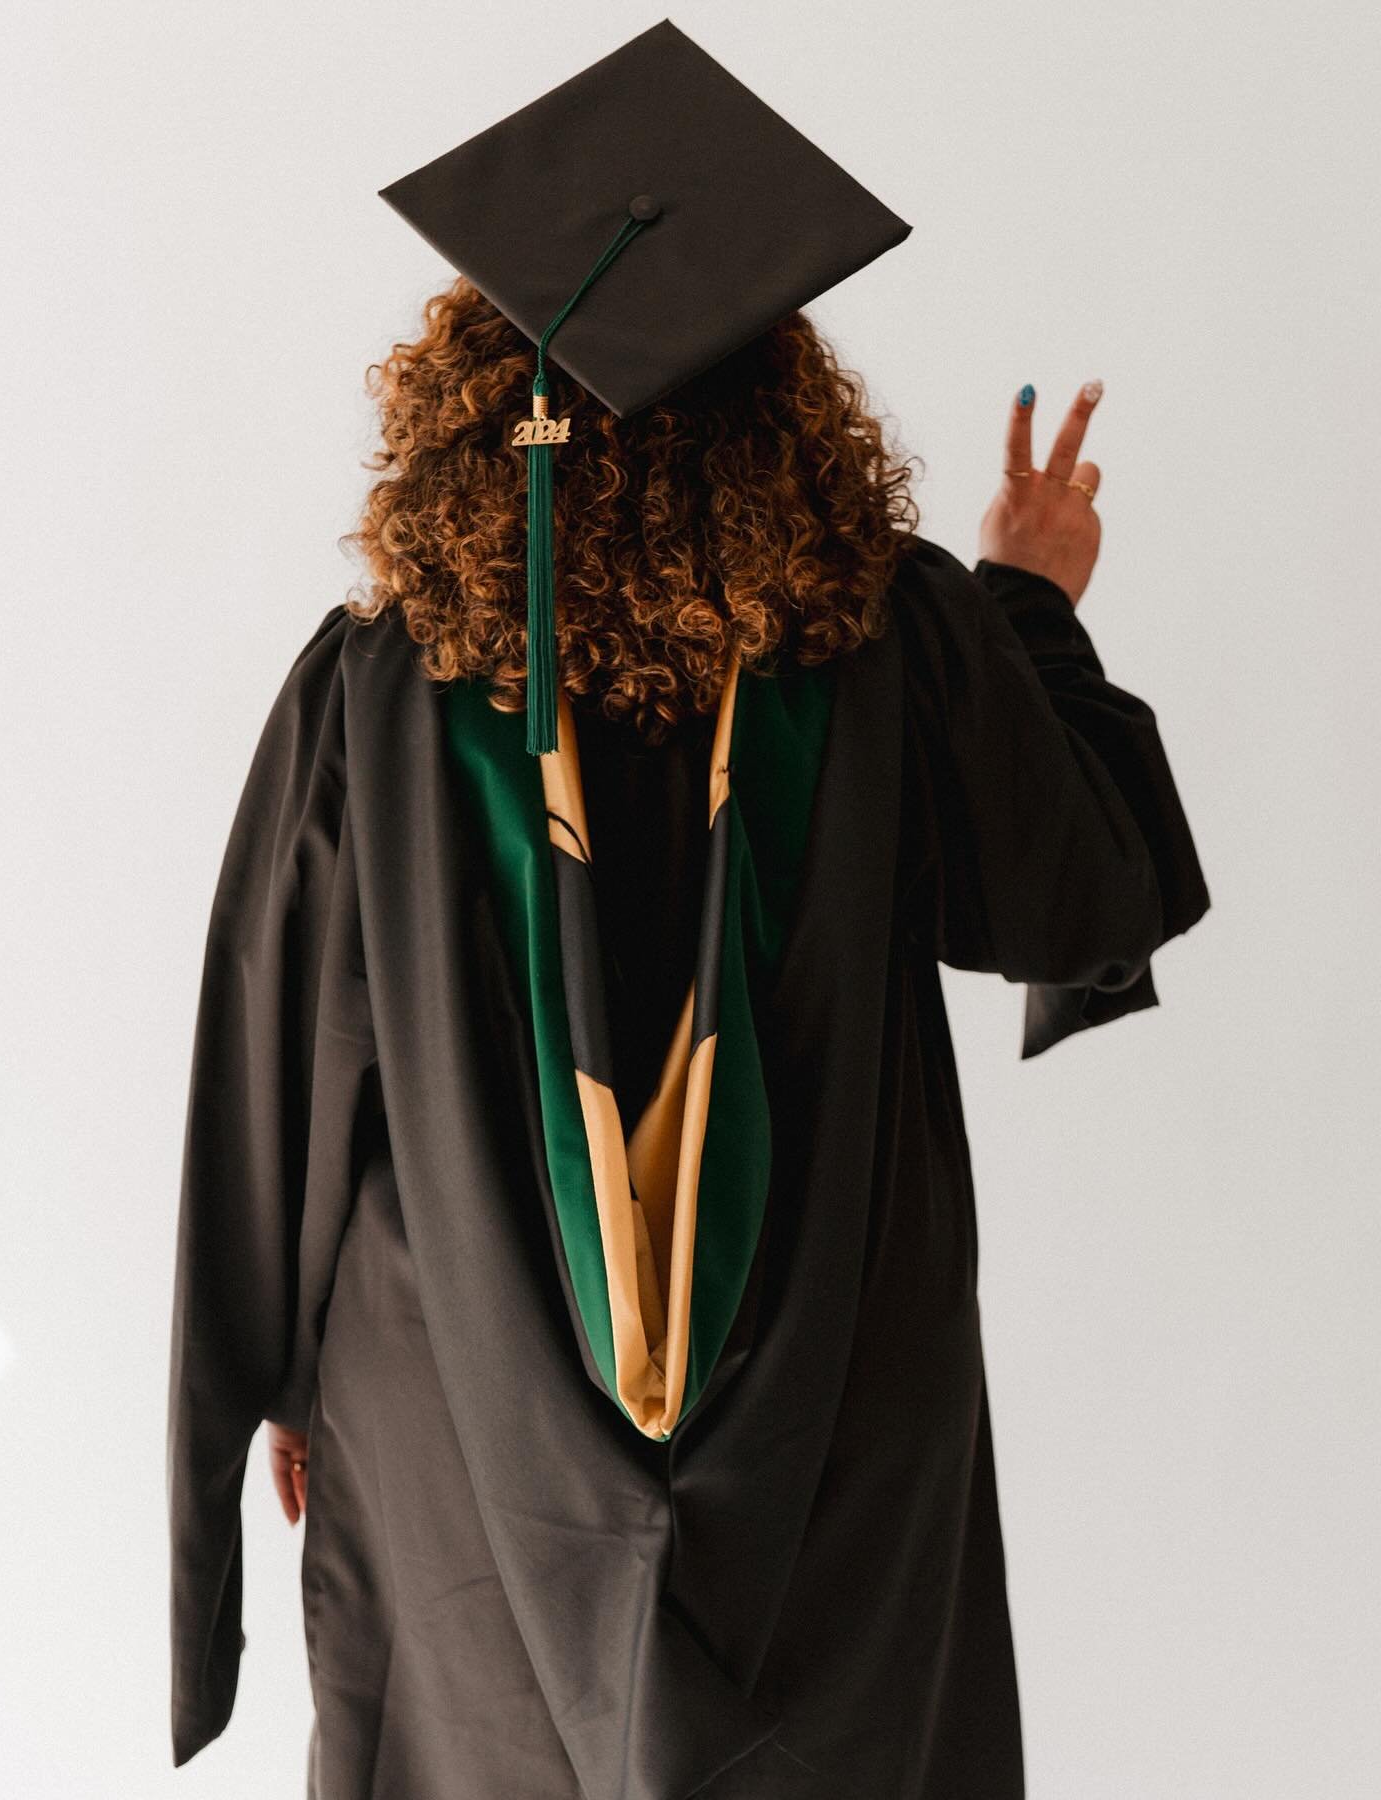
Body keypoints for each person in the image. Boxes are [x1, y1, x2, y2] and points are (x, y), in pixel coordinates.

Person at [167, 22, 1210, 1800]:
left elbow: (291, 1037)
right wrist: (1031, 602)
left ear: (478, 398)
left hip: (459, 1389)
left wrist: (272, 1369)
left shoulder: (383, 685)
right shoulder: (887, 637)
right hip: (831, 1413)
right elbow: (1084, 888)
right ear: (784, 397)